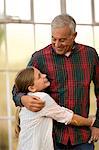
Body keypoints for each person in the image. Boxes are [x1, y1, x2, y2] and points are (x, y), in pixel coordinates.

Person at [12, 14, 99, 150]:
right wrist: (22, 99)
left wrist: (97, 124)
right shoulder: (39, 57)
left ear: (74, 35)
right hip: (53, 137)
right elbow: (18, 87)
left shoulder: (90, 55)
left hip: (82, 136)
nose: (57, 44)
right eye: (54, 39)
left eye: (62, 40)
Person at [14, 67, 94, 150]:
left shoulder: (27, 100)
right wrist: (92, 122)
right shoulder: (41, 99)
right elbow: (69, 118)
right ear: (32, 88)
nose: (44, 75)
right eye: (39, 76)